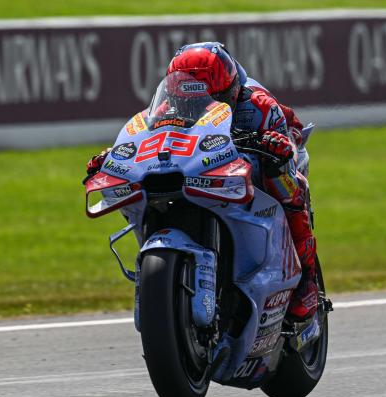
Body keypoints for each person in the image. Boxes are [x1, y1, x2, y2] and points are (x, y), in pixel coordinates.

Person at [86, 42, 319, 323]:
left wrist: (276, 145)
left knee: (286, 183)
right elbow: (147, 138)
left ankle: (307, 280)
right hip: (204, 166)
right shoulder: (164, 108)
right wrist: (113, 157)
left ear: (231, 90)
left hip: (269, 150)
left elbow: (288, 144)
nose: (197, 106)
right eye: (187, 101)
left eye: (211, 98)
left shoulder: (259, 106)